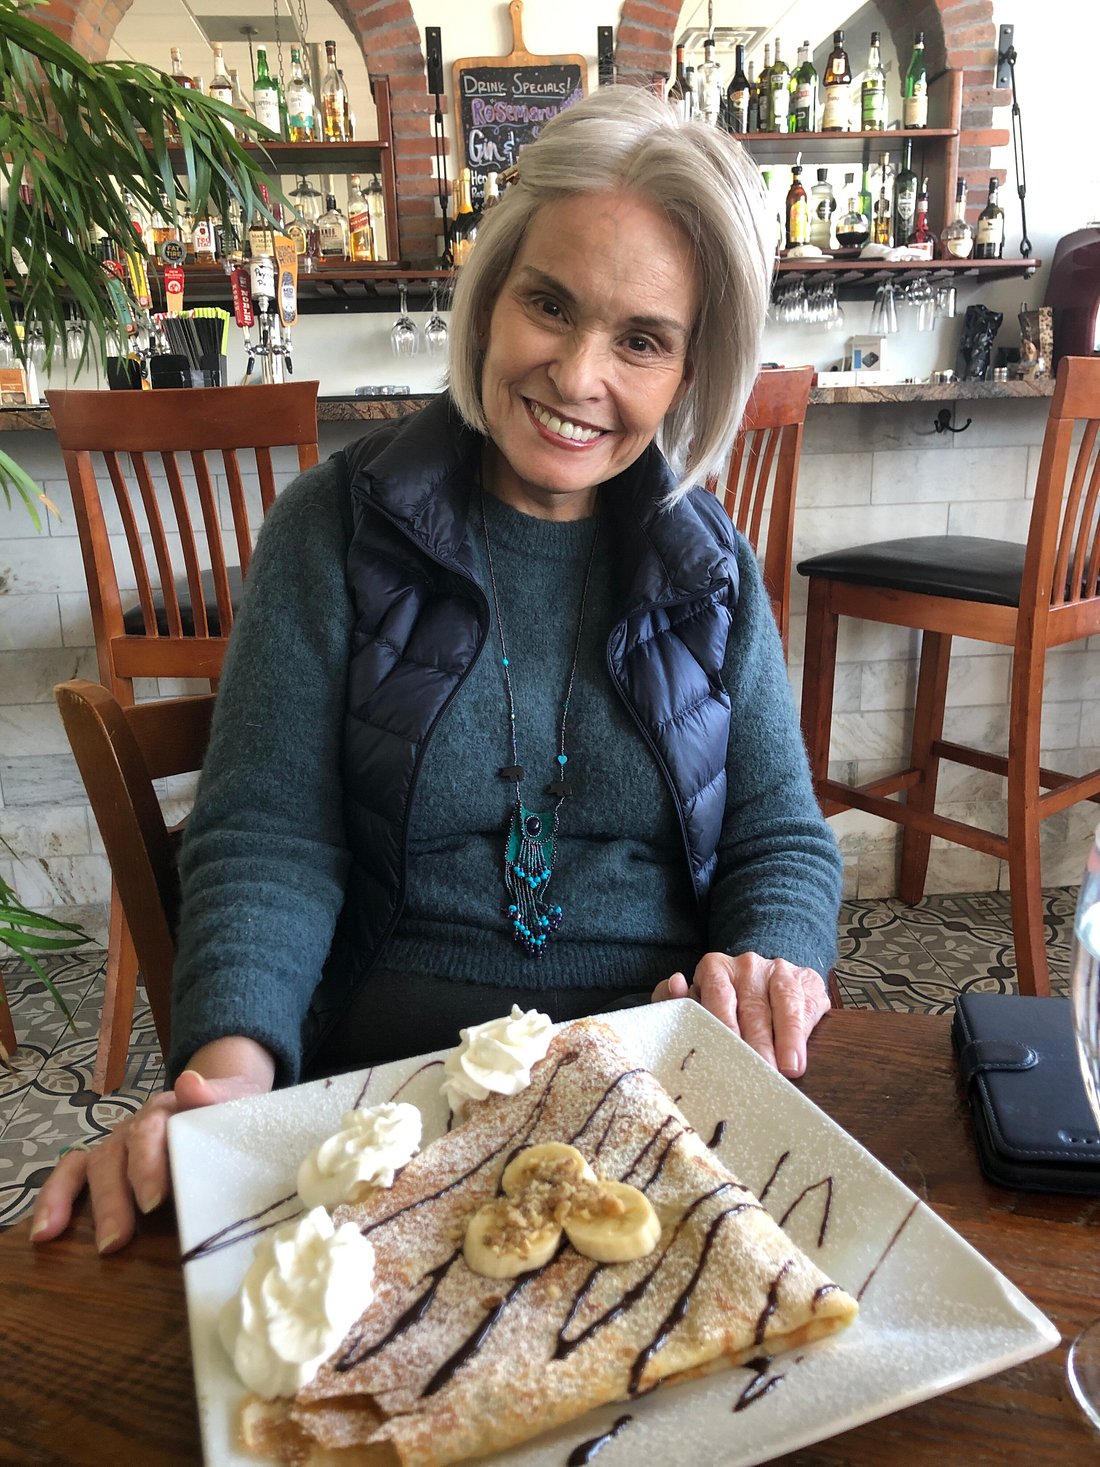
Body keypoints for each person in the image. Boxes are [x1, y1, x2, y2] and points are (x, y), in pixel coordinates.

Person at [32, 85, 841, 1255]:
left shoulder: (703, 563)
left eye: (640, 340)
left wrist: (761, 976)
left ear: (689, 371)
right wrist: (227, 1083)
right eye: (547, 304)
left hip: (653, 1085)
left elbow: (778, 839)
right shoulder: (332, 528)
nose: (576, 374)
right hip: (386, 1094)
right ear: (489, 293)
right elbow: (267, 838)